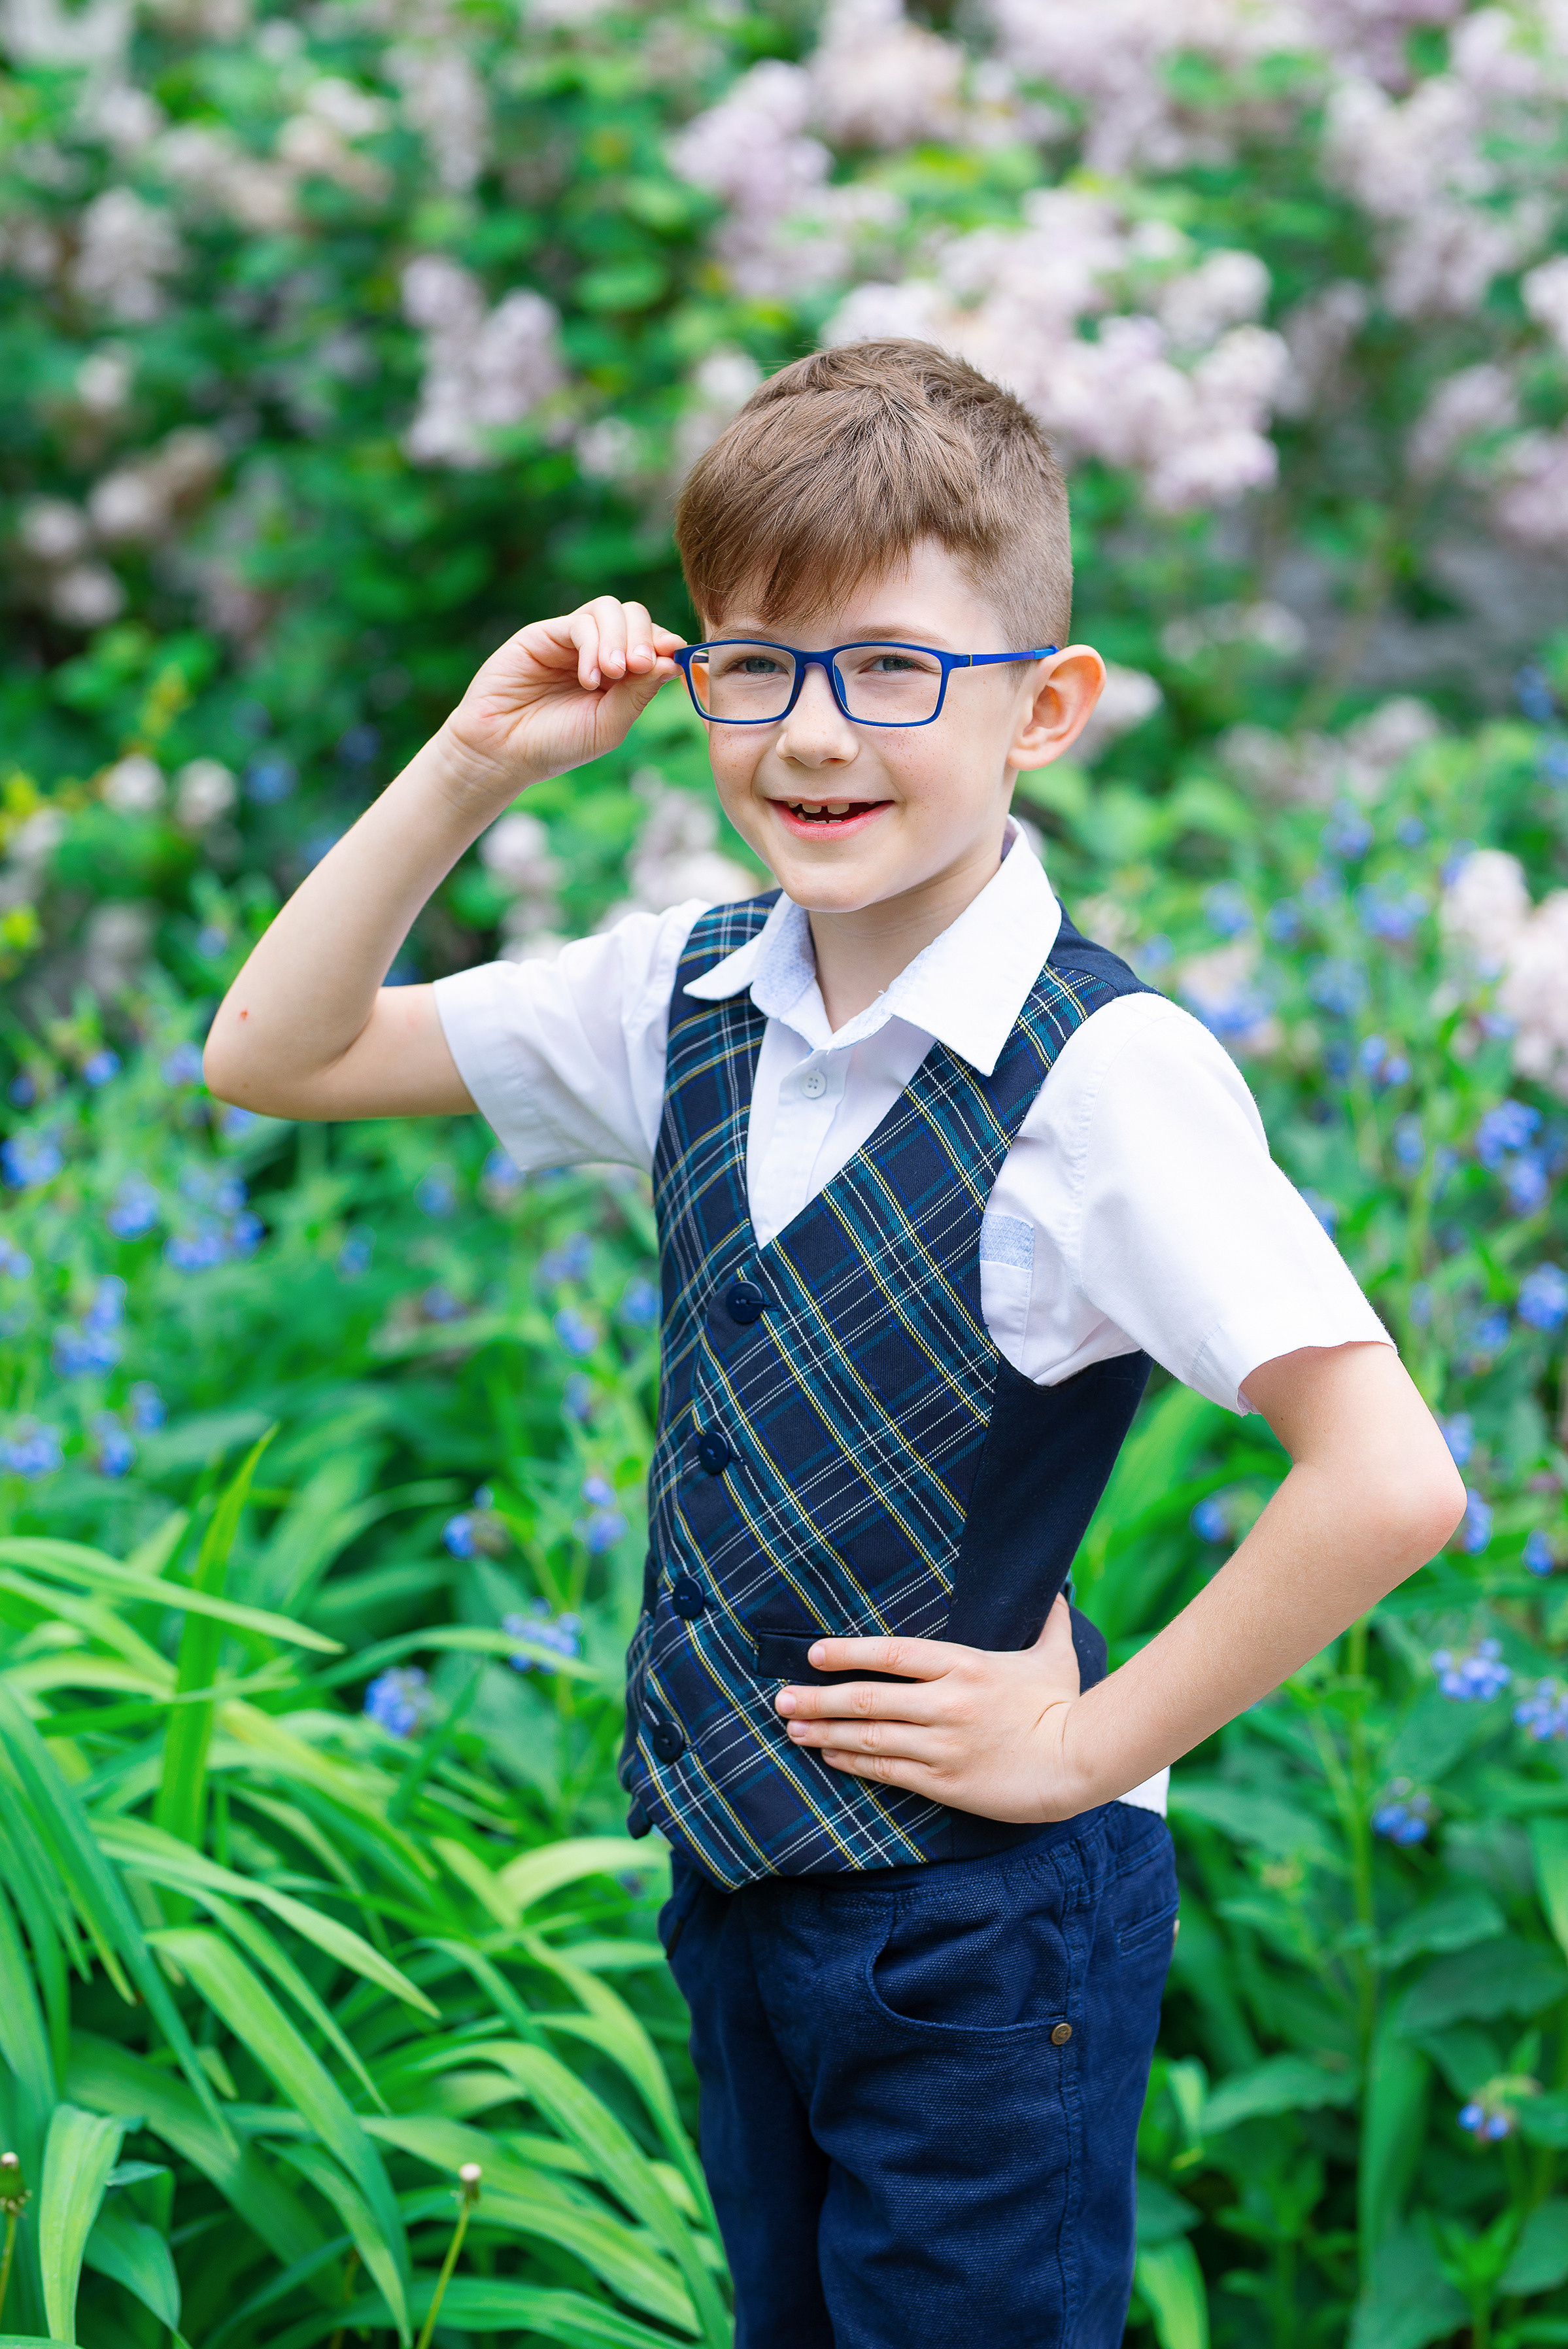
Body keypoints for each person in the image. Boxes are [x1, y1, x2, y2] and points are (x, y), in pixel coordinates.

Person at [206, 339, 1465, 2348]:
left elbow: (1390, 1477)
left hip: (985, 1935)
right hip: (749, 1892)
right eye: (756, 663)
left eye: (893, 670)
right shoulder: (681, 995)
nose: (812, 732)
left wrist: (1083, 1746)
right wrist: (472, 765)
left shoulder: (1100, 1077)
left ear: (1044, 707)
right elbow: (273, 1055)